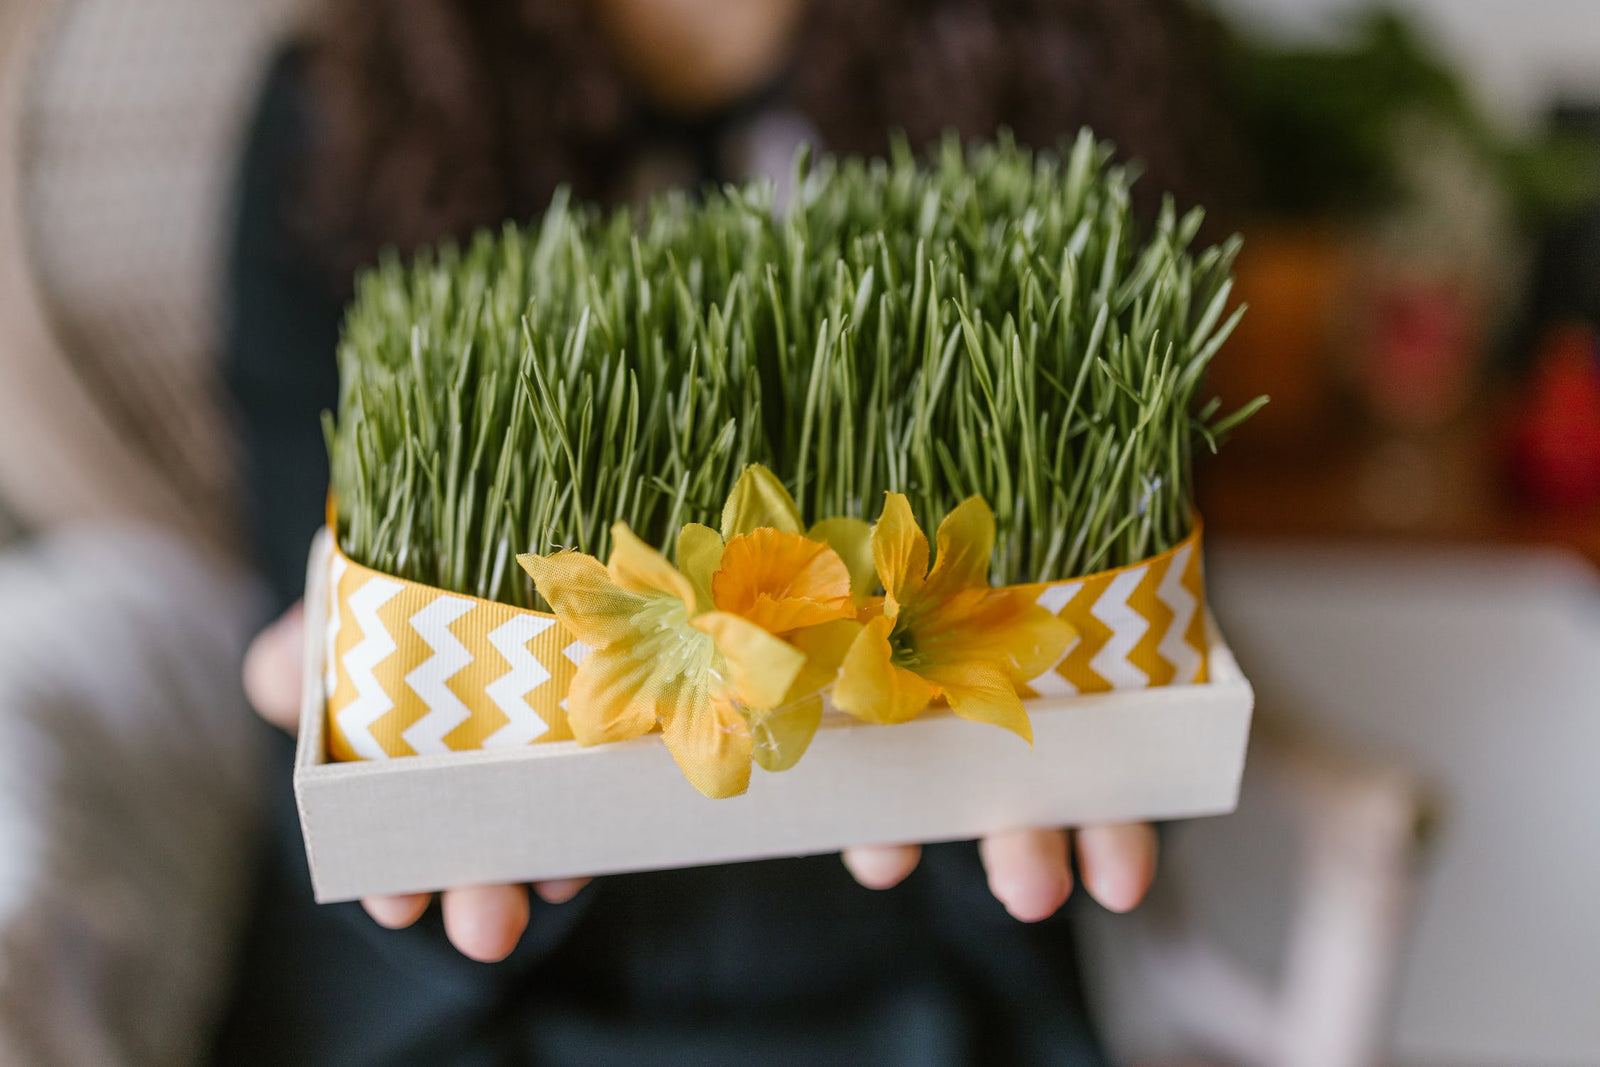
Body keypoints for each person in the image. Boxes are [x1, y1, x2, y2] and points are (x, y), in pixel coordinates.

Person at [214, 1, 1233, 1062]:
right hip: (463, 1016)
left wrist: (1047, 768)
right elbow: (338, 654)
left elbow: (1132, 553)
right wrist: (397, 754)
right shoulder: (334, 108)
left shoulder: (1079, 57)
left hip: (930, 999)